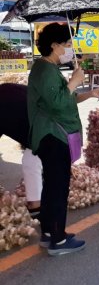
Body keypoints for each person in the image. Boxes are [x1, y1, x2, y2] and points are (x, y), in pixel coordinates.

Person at [27, 22, 99, 256]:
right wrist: (74, 81)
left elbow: (64, 99)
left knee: (52, 186)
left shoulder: (49, 68)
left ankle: (49, 232)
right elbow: (59, 102)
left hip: (53, 134)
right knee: (58, 187)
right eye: (67, 45)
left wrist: (88, 93)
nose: (71, 49)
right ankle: (58, 241)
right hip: (52, 136)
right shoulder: (44, 70)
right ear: (54, 45)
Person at [0, 83, 43, 218]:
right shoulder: (9, 90)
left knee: (32, 158)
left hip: (36, 125)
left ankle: (36, 205)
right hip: (17, 108)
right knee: (34, 158)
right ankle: (37, 205)